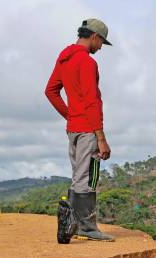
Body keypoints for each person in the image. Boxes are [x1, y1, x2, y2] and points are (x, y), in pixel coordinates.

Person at [45, 18, 114, 242]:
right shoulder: (87, 62)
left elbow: (51, 91)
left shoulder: (64, 58)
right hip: (88, 129)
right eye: (102, 42)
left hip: (73, 129)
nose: (101, 47)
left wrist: (69, 115)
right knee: (88, 177)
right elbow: (91, 101)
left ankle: (73, 224)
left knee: (78, 176)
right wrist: (101, 137)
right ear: (94, 36)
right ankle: (86, 226)